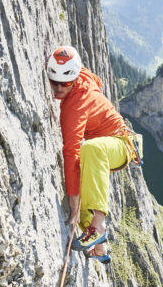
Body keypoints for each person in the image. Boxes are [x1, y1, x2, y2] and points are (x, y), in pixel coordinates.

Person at [46, 45, 137, 263]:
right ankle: (100, 246)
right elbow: (95, 79)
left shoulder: (73, 108)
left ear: (74, 78)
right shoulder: (82, 75)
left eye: (65, 84)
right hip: (110, 144)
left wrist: (73, 198)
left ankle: (99, 225)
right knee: (87, 173)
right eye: (53, 82)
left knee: (90, 149)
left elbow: (71, 151)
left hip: (121, 143)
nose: (58, 89)